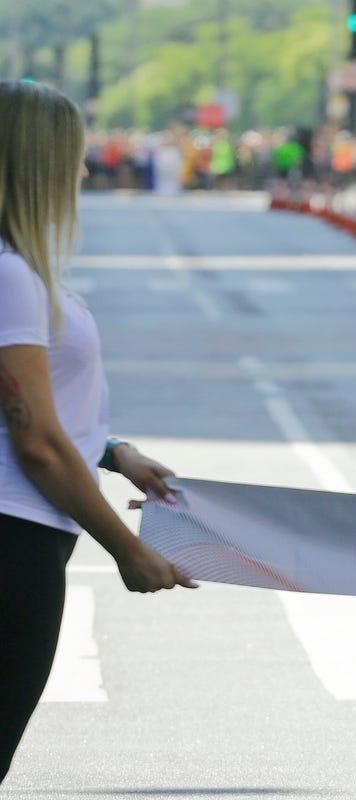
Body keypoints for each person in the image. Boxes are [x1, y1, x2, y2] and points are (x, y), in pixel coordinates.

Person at [0, 80, 197, 785]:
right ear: (37, 164)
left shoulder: (17, 271)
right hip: (14, 539)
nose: (85, 173)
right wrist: (127, 549)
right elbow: (36, 441)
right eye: (74, 157)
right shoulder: (11, 277)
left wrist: (116, 453)